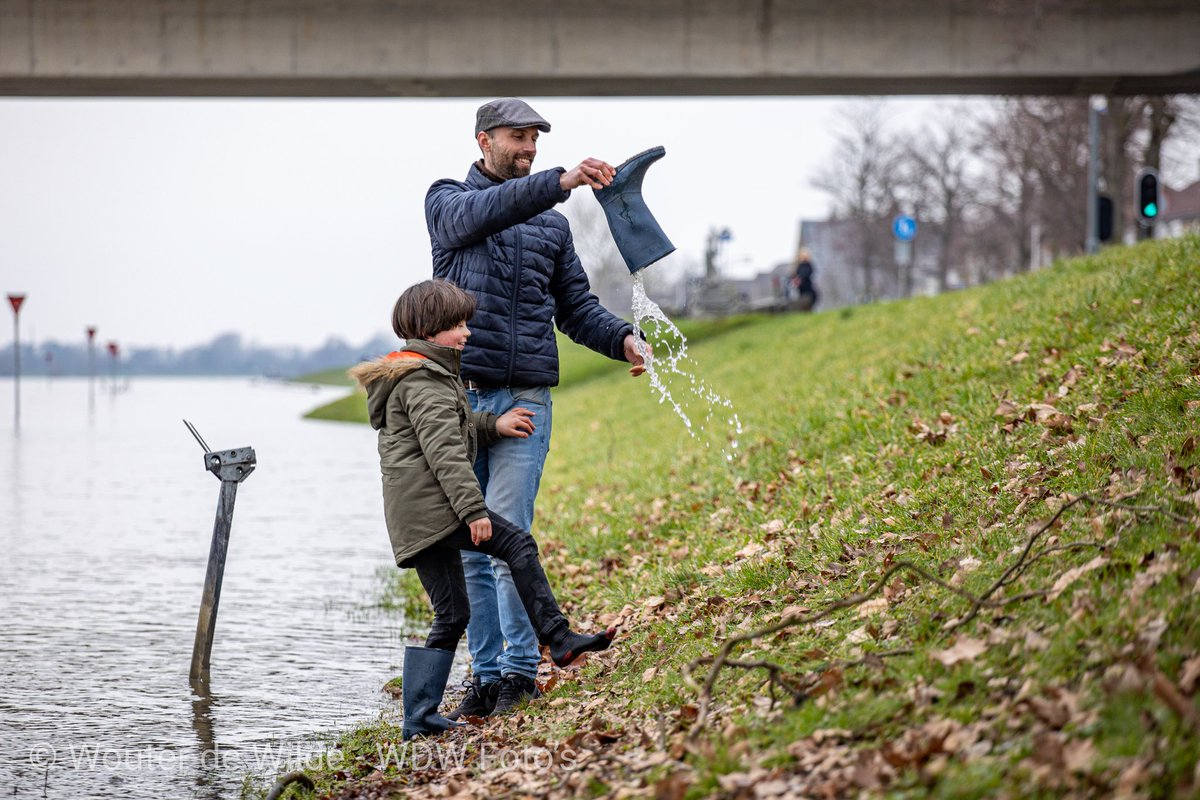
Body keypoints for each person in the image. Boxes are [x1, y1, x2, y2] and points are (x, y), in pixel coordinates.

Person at [424, 98, 646, 716]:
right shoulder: (448, 203)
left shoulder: (551, 225)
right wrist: (560, 183)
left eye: (535, 139)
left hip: (525, 399)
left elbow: (575, 307)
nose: (528, 147)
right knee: (472, 544)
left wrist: (623, 337)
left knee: (505, 529)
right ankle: (487, 674)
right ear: (483, 140)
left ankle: (520, 673)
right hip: (459, 402)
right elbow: (485, 211)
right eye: (517, 137)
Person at [349, 279, 617, 740]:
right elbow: (445, 452)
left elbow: (453, 424)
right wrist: (474, 511)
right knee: (514, 542)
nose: (467, 332)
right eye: (457, 324)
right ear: (430, 329)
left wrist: (495, 423)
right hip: (436, 511)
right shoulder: (426, 380)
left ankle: (419, 717)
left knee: (452, 614)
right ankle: (558, 638)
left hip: (414, 519)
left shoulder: (413, 376)